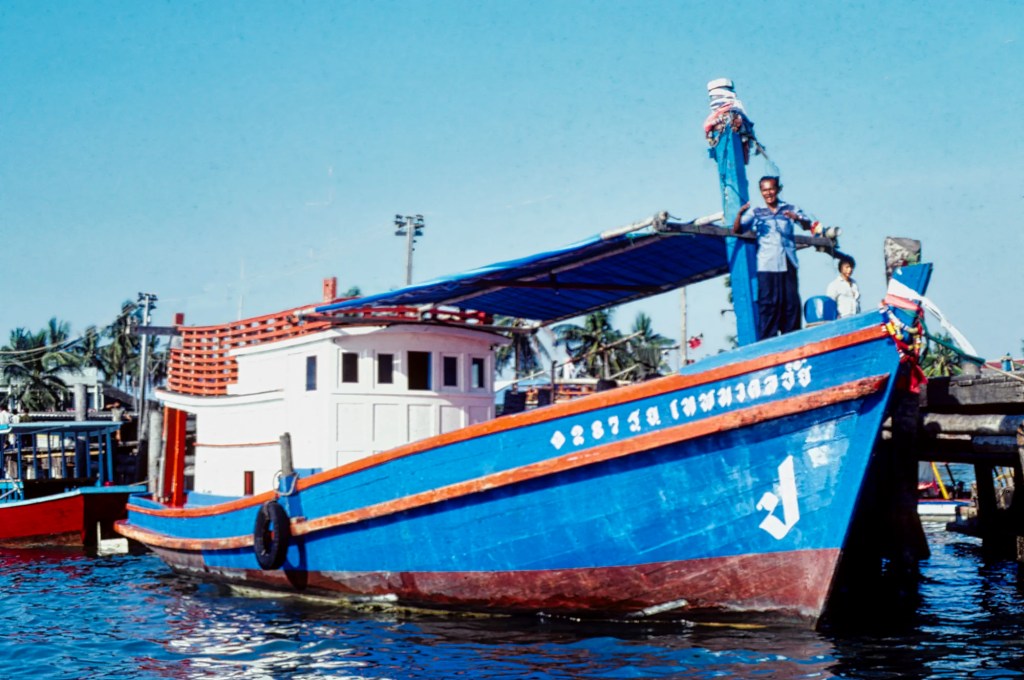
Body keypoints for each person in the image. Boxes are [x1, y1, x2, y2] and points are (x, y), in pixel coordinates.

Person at [732, 176, 816, 340]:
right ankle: (768, 342)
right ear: (761, 192)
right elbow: (738, 230)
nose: (768, 193)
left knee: (791, 304)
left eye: (771, 189)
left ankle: (792, 339)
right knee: (768, 305)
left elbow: (808, 225)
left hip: (788, 262)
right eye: (764, 190)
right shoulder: (756, 211)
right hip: (767, 265)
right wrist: (739, 214)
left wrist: (797, 218)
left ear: (777, 189)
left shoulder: (790, 208)